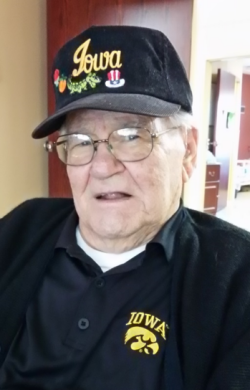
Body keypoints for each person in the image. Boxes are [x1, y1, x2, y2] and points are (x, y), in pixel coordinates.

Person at [0, 25, 250, 390]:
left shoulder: (236, 280)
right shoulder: (20, 228)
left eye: (132, 136)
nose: (102, 167)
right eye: (81, 141)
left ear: (189, 151)